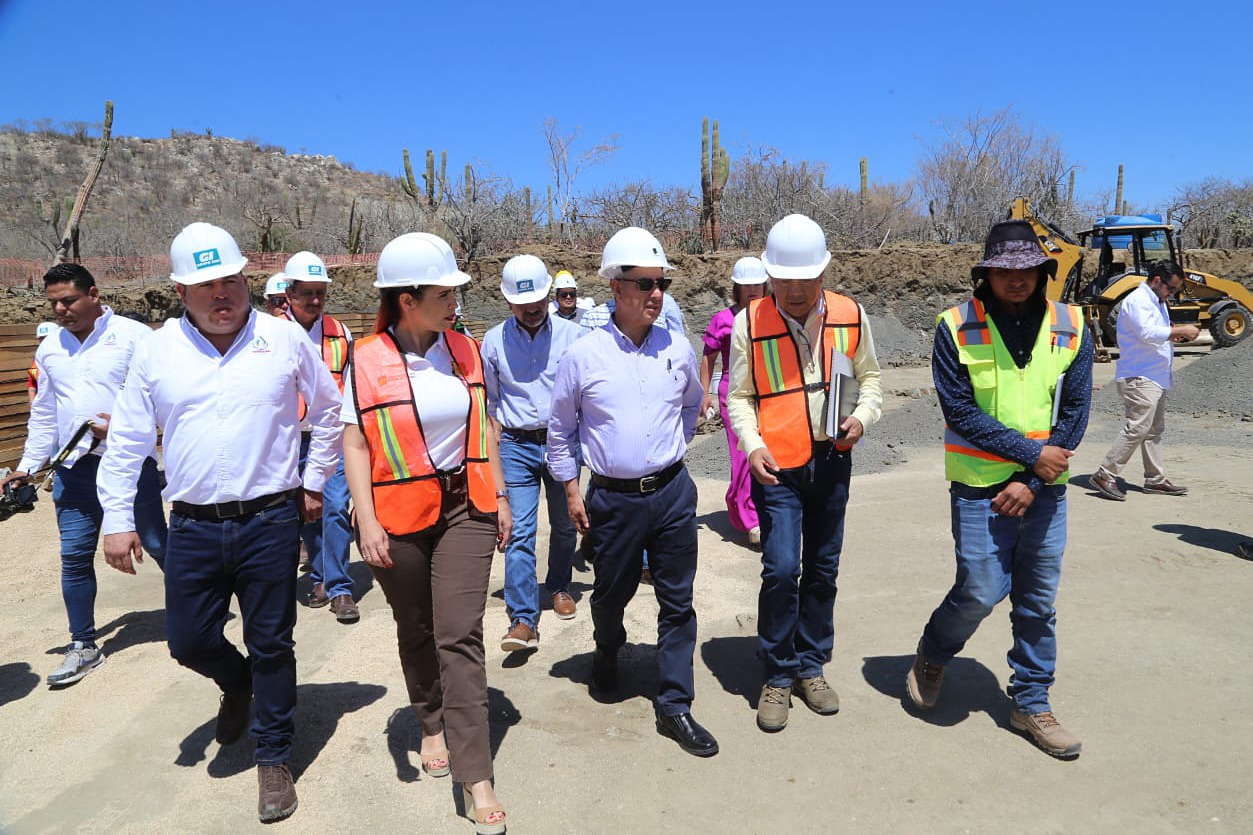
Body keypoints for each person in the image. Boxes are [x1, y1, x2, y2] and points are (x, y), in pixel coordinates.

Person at [98, 222, 343, 821]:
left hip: (269, 520)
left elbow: (332, 412)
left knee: (272, 642)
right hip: (193, 526)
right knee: (187, 641)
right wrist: (116, 517)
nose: (222, 294)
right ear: (181, 291)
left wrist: (313, 484)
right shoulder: (157, 351)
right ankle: (236, 685)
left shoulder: (284, 340)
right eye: (206, 285)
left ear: (248, 280)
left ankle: (274, 759)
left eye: (231, 279)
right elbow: (128, 441)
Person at [903, 218, 1094, 760]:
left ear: (1043, 270)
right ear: (985, 273)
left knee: (1037, 602)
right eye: (1005, 270)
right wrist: (1032, 455)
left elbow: (1076, 412)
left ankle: (1031, 702)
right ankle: (934, 652)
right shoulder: (955, 326)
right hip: (978, 488)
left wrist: (1034, 479)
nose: (1018, 279)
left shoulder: (1073, 324)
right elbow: (959, 410)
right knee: (982, 589)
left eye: (1029, 269)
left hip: (1043, 492)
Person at [341, 232, 511, 834]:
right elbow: (356, 441)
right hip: (398, 513)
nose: (456, 302)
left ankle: (476, 775)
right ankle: (431, 721)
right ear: (407, 299)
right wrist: (363, 517)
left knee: (459, 633)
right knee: (415, 627)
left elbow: (485, 424)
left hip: (467, 506)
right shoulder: (365, 358)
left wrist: (504, 497)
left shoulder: (465, 349)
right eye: (445, 293)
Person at [548, 226, 718, 758]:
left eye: (661, 282)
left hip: (671, 493)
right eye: (644, 283)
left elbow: (694, 403)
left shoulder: (678, 347)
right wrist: (573, 491)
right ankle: (607, 646)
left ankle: (675, 704)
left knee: (677, 601)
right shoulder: (583, 356)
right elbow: (561, 431)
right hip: (612, 500)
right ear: (616, 288)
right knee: (611, 594)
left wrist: (671, 449)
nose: (656, 293)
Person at [726, 214, 883, 733]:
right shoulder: (749, 322)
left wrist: (861, 417)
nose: (794, 289)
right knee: (779, 569)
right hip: (779, 467)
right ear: (769, 276)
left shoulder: (851, 314)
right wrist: (751, 447)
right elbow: (739, 397)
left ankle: (811, 665)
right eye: (783, 278)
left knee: (823, 568)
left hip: (833, 462)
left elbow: (873, 381)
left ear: (824, 273)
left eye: (805, 278)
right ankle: (777, 671)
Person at [0, 264, 167, 687]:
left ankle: (199, 607)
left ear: (93, 294)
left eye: (68, 300)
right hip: (73, 469)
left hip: (128, 463)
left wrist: (128, 427)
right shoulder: (50, 347)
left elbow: (166, 398)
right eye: (53, 302)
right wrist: (27, 467)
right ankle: (83, 644)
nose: (60, 309)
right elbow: (44, 414)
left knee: (155, 541)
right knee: (74, 556)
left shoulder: (135, 337)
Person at [481, 254, 582, 653]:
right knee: (519, 532)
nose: (532, 308)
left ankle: (558, 586)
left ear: (550, 295)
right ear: (508, 302)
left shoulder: (574, 338)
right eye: (523, 303)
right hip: (516, 444)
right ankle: (522, 618)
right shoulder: (493, 341)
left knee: (564, 523)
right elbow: (490, 404)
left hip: (561, 441)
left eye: (539, 299)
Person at [283, 251, 358, 622]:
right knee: (304, 514)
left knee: (334, 510)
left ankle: (339, 587)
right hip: (286, 441)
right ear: (288, 292)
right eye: (307, 292)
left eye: (320, 293)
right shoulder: (271, 334)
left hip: (331, 437)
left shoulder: (340, 334)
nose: (314, 300)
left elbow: (352, 385)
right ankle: (319, 576)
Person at [1091, 260, 1199, 501]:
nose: (1171, 294)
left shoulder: (1156, 301)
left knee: (1153, 430)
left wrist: (1172, 336)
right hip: (1140, 376)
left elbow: (1156, 332)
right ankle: (1105, 473)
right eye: (1170, 289)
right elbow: (1147, 333)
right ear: (1157, 280)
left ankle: (1155, 479)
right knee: (1138, 427)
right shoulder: (1138, 300)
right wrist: (1180, 331)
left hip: (1155, 375)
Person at [700, 257, 768, 545]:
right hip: (733, 392)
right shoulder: (723, 320)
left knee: (766, 453)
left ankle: (744, 504)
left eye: (757, 284)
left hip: (768, 393)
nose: (752, 290)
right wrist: (705, 393)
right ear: (736, 288)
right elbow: (708, 357)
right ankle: (751, 521)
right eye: (745, 285)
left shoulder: (774, 316)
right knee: (742, 457)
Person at [579, 286, 686, 335]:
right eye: (645, 284)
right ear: (616, 287)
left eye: (662, 284)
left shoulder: (661, 313)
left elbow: (678, 337)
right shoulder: (593, 318)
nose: (657, 295)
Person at [27, 321, 56, 404]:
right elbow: (32, 383)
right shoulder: (38, 359)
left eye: (47, 338)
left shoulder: (68, 357)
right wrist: (32, 403)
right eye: (41, 338)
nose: (44, 342)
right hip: (43, 405)